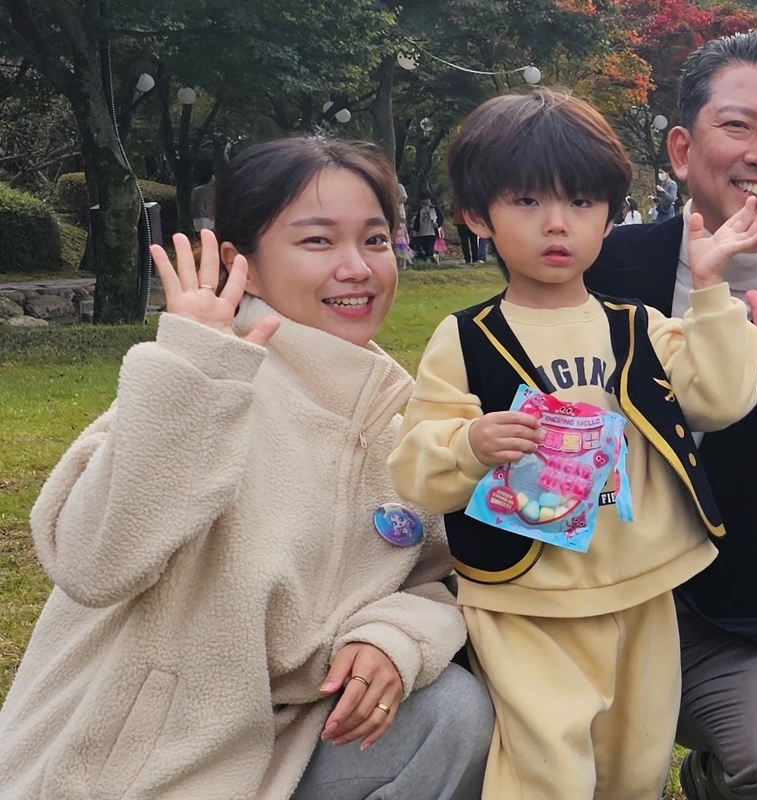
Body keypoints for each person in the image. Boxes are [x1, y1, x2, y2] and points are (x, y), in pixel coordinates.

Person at [0, 136, 493, 799]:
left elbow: (432, 577)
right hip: (127, 771)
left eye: (375, 240)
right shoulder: (203, 387)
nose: (358, 268)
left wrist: (394, 639)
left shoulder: (394, 421)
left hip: (280, 750)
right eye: (317, 242)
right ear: (243, 265)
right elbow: (94, 561)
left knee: (453, 713)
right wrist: (193, 372)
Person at [390, 88, 757, 798]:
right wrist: (471, 442)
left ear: (609, 215)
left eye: (582, 202)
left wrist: (712, 290)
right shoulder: (467, 339)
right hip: (525, 600)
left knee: (634, 767)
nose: (557, 224)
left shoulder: (639, 326)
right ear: (478, 216)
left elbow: (721, 399)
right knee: (548, 774)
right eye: (527, 201)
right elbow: (417, 465)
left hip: (640, 590)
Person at [584, 31, 757, 800]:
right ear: (681, 148)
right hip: (578, 602)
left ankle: (713, 778)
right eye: (738, 126)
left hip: (732, 621)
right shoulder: (593, 271)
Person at [410, 191, 442, 261]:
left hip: (431, 232)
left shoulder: (434, 209)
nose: (424, 201)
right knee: (423, 247)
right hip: (422, 232)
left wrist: (438, 224)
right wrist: (415, 230)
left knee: (430, 247)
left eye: (426, 199)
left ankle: (429, 259)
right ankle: (425, 259)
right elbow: (417, 221)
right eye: (423, 200)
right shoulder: (421, 210)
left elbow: (440, 218)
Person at [451, 198, 482, 262]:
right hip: (470, 220)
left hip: (459, 221)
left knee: (464, 241)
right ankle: (475, 258)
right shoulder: (470, 197)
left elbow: (452, 211)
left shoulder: (455, 199)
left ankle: (467, 258)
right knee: (473, 240)